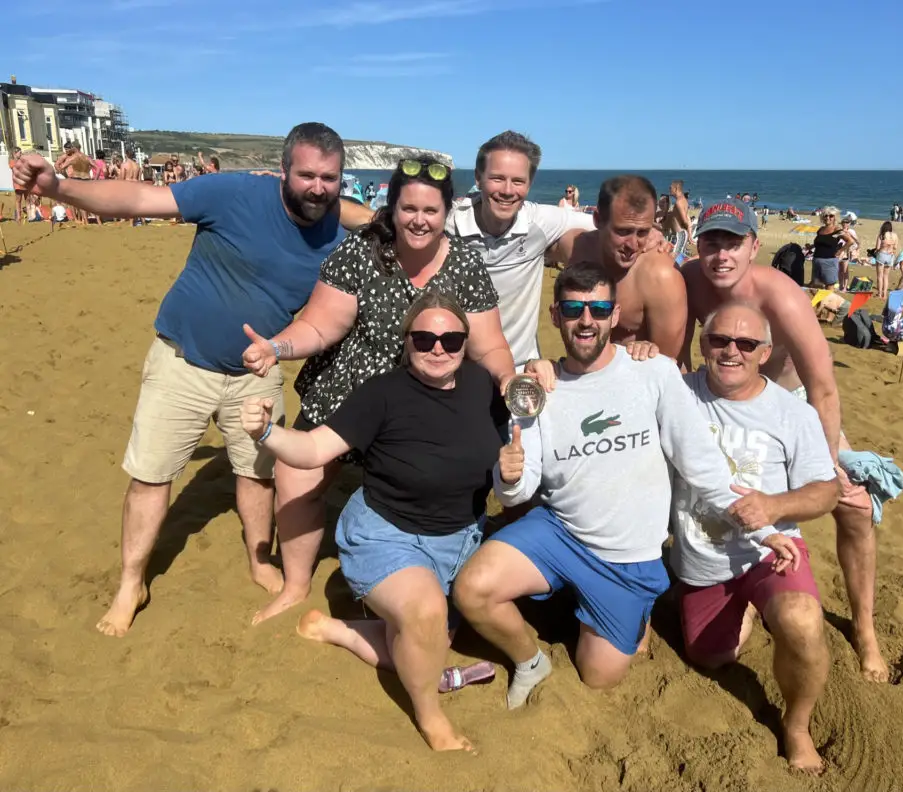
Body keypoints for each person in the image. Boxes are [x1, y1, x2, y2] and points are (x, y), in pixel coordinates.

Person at [12, 122, 374, 637]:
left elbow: (331, 304)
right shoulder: (232, 193)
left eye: (330, 178)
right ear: (282, 170)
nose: (318, 186)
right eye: (307, 174)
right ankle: (130, 583)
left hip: (258, 372)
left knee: (257, 476)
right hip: (181, 361)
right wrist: (57, 188)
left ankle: (258, 560)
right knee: (151, 477)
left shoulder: (340, 237)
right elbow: (137, 198)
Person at [240, 156, 523, 626]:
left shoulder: (467, 266)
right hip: (350, 387)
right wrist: (279, 346)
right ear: (391, 209)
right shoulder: (362, 251)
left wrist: (505, 377)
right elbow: (321, 324)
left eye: (431, 210)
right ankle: (295, 584)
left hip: (423, 397)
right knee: (296, 478)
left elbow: (489, 343)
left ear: (446, 212)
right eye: (408, 208)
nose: (419, 219)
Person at [454, 263, 751, 708]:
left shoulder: (653, 372)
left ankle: (626, 611)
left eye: (598, 308)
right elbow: (518, 490)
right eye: (574, 308)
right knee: (472, 590)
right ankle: (531, 659)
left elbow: (700, 461)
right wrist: (509, 476)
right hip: (560, 534)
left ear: (615, 316)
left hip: (627, 560)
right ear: (555, 316)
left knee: (598, 677)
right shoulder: (536, 388)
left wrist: (759, 524)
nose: (586, 319)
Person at [243, 293, 504, 751]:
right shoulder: (381, 395)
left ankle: (336, 629)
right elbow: (313, 452)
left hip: (459, 539)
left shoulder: (483, 386)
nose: (438, 348)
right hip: (386, 534)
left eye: (451, 338)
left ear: (466, 342)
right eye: (424, 338)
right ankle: (430, 717)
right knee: (425, 618)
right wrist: (267, 433)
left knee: (430, 639)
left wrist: (541, 371)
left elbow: (533, 415)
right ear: (407, 342)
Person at [679, 198, 888, 682]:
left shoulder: (781, 296)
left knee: (854, 507)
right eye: (712, 242)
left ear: (754, 246)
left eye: (734, 243)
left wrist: (832, 458)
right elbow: (677, 353)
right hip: (726, 399)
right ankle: (741, 592)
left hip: (792, 405)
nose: (722, 255)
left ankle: (865, 627)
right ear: (698, 243)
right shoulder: (689, 279)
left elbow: (822, 385)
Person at [672, 302, 839, 774]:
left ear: (764, 353)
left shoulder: (792, 413)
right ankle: (740, 608)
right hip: (702, 557)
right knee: (710, 657)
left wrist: (774, 505)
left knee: (802, 622)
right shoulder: (678, 394)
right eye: (718, 341)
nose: (731, 352)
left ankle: (797, 725)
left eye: (745, 344)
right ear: (702, 345)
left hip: (773, 553)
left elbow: (826, 492)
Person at [445, 131, 595, 367]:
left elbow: (609, 228)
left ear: (529, 183)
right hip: (452, 368)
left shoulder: (538, 222)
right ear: (478, 178)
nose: (507, 190)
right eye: (497, 178)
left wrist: (650, 234)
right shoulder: (449, 224)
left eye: (518, 181)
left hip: (520, 370)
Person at [564, 176, 689, 362]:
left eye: (643, 232)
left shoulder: (660, 276)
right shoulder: (575, 247)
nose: (633, 245)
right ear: (597, 220)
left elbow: (667, 365)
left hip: (641, 380)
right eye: (623, 231)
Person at [811, 206, 855, 289]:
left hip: (829, 261)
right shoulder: (821, 229)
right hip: (817, 260)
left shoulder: (837, 230)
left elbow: (850, 241)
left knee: (829, 286)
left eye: (831, 216)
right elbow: (821, 242)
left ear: (835, 218)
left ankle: (827, 302)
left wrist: (840, 251)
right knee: (816, 286)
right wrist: (810, 246)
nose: (828, 218)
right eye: (825, 215)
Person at [874, 221, 900, 300]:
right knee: (886, 276)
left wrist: (874, 253)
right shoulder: (895, 235)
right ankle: (884, 294)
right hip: (890, 255)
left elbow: (877, 248)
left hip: (882, 254)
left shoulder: (881, 235)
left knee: (880, 276)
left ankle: (879, 293)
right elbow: (895, 247)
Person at [669, 180, 692, 261]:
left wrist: (689, 234)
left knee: (676, 260)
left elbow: (685, 220)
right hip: (680, 234)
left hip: (680, 234)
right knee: (679, 258)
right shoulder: (683, 200)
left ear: (676, 189)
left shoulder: (679, 202)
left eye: (670, 188)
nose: (669, 189)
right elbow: (687, 218)